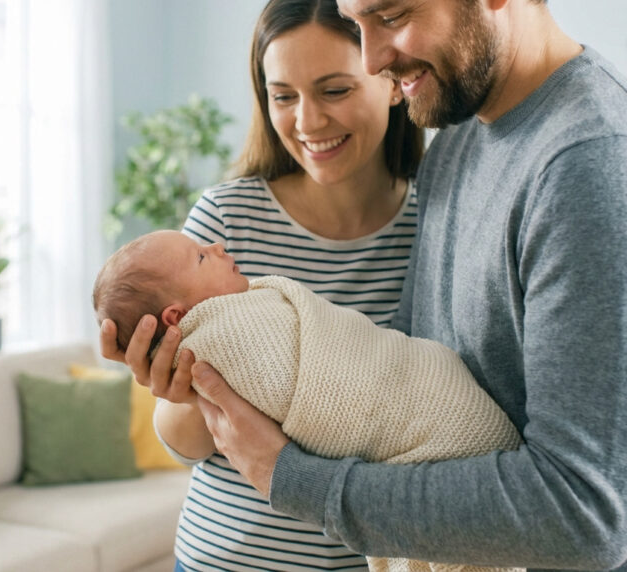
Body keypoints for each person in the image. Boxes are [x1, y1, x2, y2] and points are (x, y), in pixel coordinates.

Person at [101, 0, 627, 569]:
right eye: (358, 21)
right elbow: (439, 374)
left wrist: (291, 478)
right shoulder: (457, 143)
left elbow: (586, 513)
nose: (373, 59)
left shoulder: (601, 163)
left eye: (391, 14)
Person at [95, 229, 524, 572]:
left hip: (363, 530)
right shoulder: (222, 219)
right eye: (202, 256)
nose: (308, 119)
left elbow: (382, 360)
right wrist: (186, 392)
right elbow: (182, 446)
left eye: (332, 109)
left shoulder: (424, 212)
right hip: (223, 556)